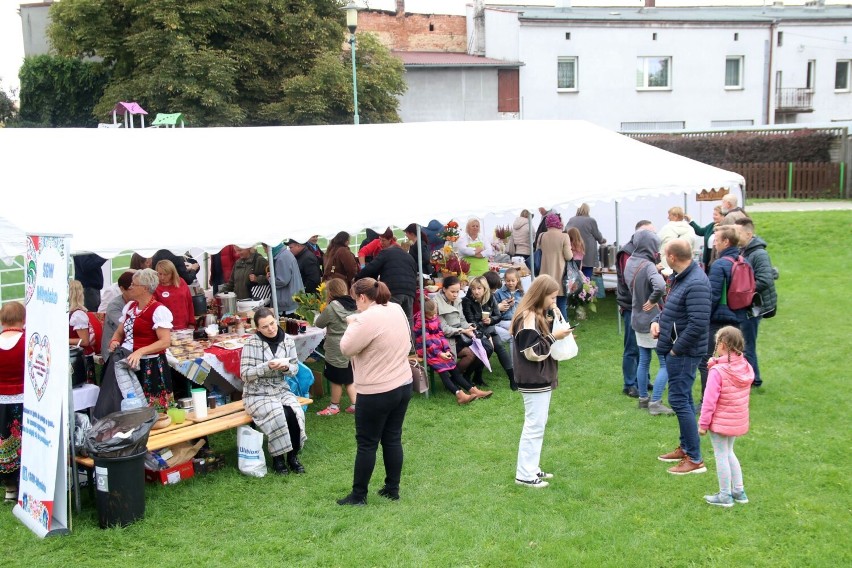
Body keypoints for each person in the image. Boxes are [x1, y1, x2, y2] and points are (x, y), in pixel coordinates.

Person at [337, 278, 413, 505]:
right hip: (402, 383)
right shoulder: (395, 308)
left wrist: (352, 322)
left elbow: (345, 348)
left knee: (367, 443)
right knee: (392, 438)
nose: (354, 305)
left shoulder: (366, 318)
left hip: (376, 390)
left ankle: (358, 496)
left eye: (355, 300)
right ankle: (392, 488)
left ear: (362, 297)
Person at [651, 239, 711, 475]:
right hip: (676, 348)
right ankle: (686, 447)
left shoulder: (696, 282)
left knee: (679, 400)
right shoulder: (680, 278)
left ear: (672, 257)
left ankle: (695, 459)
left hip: (684, 352)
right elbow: (671, 311)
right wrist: (657, 322)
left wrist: (676, 349)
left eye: (665, 255)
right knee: (682, 398)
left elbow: (698, 324)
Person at [510, 274, 573, 488]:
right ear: (540, 295)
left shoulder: (535, 315)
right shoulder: (527, 317)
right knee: (533, 426)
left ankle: (532, 468)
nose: (554, 301)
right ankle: (525, 475)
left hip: (539, 378)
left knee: (537, 425)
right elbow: (531, 352)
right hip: (533, 379)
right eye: (552, 297)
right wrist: (556, 336)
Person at [240, 307, 306, 475]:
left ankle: (292, 456)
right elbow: (245, 375)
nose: (270, 329)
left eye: (272, 323)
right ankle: (278, 458)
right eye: (265, 327)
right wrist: (266, 367)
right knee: (278, 413)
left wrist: (286, 368)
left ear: (276, 320)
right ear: (257, 329)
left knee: (296, 412)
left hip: (280, 389)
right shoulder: (251, 343)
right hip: (256, 393)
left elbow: (295, 369)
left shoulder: (288, 341)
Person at [699, 326, 754, 507]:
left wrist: (703, 424)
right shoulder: (744, 366)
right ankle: (739, 491)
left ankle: (725, 496)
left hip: (721, 421)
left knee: (721, 455)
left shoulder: (718, 372)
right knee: (729, 452)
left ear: (722, 344)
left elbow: (709, 400)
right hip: (736, 419)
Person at [106, 268, 175, 409]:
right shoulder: (130, 307)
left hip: (151, 364)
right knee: (129, 403)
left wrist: (140, 351)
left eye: (134, 284)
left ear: (144, 288)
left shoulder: (158, 310)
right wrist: (114, 341)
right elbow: (120, 331)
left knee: (153, 407)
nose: (130, 287)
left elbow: (165, 341)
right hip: (128, 361)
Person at [624, 231, 673, 415]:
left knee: (644, 360)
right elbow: (660, 286)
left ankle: (643, 399)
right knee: (665, 362)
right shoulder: (648, 265)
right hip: (653, 319)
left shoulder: (630, 261)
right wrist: (653, 299)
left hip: (637, 315)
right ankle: (656, 403)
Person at [698, 225, 748, 397]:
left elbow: (712, 295)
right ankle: (733, 395)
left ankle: (707, 399)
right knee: (733, 359)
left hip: (719, 319)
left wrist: (703, 317)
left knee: (708, 360)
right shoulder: (743, 261)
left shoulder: (720, 265)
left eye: (717, 241)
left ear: (726, 242)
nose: (715, 245)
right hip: (739, 316)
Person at [413, 299, 487, 405]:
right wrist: (440, 353)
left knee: (454, 370)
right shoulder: (420, 324)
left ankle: (473, 390)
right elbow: (427, 342)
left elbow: (441, 335)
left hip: (439, 350)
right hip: (427, 351)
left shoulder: (434, 318)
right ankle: (460, 395)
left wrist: (446, 350)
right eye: (431, 315)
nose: (434, 316)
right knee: (443, 372)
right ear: (424, 313)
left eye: (435, 314)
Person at [735, 217, 777, 389]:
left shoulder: (759, 253)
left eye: (738, 233)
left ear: (748, 234)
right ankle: (752, 378)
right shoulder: (745, 250)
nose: (735, 236)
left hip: (753, 307)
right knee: (745, 343)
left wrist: (743, 289)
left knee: (747, 344)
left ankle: (754, 379)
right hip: (747, 304)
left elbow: (765, 280)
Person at [615, 220, 655, 399]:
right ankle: (629, 383)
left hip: (645, 304)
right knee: (632, 346)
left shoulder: (646, 252)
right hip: (632, 304)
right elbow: (631, 281)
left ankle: (644, 380)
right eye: (650, 234)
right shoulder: (627, 253)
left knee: (646, 344)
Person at [433, 275, 487, 387]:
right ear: (444, 289)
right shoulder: (436, 303)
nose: (455, 295)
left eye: (457, 292)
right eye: (452, 291)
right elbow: (444, 329)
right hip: (442, 340)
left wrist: (470, 327)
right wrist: (462, 330)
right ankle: (455, 379)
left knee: (481, 350)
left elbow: (462, 319)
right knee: (471, 354)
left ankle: (456, 378)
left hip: (459, 337)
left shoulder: (457, 301)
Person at [463, 275, 514, 390]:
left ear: (485, 288)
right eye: (473, 288)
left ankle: (512, 378)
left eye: (479, 288)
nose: (476, 291)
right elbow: (471, 322)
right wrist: (484, 326)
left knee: (499, 346)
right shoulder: (467, 301)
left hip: (489, 329)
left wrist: (491, 320)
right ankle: (470, 375)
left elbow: (498, 315)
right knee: (487, 347)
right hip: (476, 332)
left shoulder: (490, 297)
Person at [314, 278, 358, 416]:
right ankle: (356, 404)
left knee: (335, 378)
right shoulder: (354, 304)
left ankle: (334, 406)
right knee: (350, 376)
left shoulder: (332, 307)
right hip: (352, 343)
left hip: (336, 346)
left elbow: (320, 323)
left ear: (330, 292)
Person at [356, 236, 418, 325]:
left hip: (393, 290)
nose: (381, 243)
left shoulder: (385, 253)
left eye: (383, 240)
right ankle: (410, 339)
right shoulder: (408, 256)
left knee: (390, 320)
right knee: (408, 321)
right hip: (410, 291)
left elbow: (372, 268)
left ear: (390, 240)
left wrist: (358, 277)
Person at [0, 301, 25, 503]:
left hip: (1, 401)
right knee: (24, 443)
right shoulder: (27, 342)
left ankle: (9, 487)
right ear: (23, 319)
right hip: (23, 399)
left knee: (4, 444)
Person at [536, 213, 572, 319]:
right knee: (561, 305)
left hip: (544, 275)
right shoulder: (564, 236)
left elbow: (538, 251)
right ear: (559, 222)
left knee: (544, 306)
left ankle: (543, 329)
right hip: (560, 275)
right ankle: (564, 331)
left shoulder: (541, 236)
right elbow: (568, 256)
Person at [68, 280, 99, 383]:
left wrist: (63, 340)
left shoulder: (77, 315)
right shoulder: (70, 313)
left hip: (81, 358)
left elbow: (85, 341)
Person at [565, 203, 606, 279]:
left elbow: (565, 232)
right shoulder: (591, 221)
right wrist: (602, 240)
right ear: (587, 210)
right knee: (587, 278)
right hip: (588, 254)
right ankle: (586, 290)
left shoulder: (571, 220)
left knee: (575, 278)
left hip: (574, 253)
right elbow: (597, 235)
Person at [101, 271, 134, 360]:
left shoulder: (135, 301)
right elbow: (126, 326)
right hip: (113, 350)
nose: (135, 291)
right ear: (122, 289)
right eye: (132, 288)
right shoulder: (114, 306)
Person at [154, 260, 195, 330]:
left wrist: (192, 323)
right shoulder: (155, 287)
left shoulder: (181, 282)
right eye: (160, 274)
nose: (162, 277)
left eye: (166, 274)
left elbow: (189, 303)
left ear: (172, 273)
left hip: (184, 325)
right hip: (165, 328)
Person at [657, 207, 698, 274]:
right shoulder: (691, 229)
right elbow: (693, 248)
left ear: (675, 216)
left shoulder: (666, 229)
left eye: (669, 215)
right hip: (684, 268)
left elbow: (657, 244)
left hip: (666, 267)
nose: (668, 217)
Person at [685, 205, 723, 273]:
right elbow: (700, 231)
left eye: (716, 215)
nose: (713, 216)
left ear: (723, 216)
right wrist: (691, 221)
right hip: (708, 256)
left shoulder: (724, 227)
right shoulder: (711, 225)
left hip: (717, 256)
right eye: (713, 214)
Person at [270, 242, 304, 317]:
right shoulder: (284, 255)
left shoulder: (282, 258)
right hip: (291, 300)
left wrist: (270, 279)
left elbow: (282, 280)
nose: (265, 251)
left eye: (264, 248)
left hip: (287, 303)